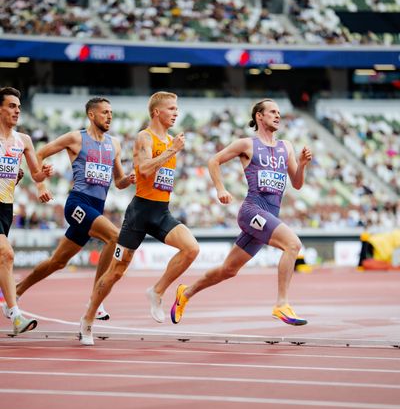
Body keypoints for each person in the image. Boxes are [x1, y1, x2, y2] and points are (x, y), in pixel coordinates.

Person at [170, 98, 312, 327]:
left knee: (229, 270)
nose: (278, 116)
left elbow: (296, 184)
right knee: (293, 244)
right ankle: (282, 304)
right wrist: (220, 189)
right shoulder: (247, 144)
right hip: (252, 211)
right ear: (259, 116)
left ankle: (186, 293)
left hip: (270, 215)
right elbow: (214, 160)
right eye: (272, 112)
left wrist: (302, 165)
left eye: (279, 112)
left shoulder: (286, 147)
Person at [79, 91, 199, 345]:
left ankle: (156, 291)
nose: (176, 113)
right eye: (172, 109)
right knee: (116, 272)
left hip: (162, 211)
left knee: (191, 249)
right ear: (157, 112)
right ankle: (88, 318)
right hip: (140, 213)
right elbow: (143, 169)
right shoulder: (145, 137)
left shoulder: (169, 138)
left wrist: (171, 147)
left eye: (177, 109)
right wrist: (172, 150)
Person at [15, 96, 135, 320]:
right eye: (104, 112)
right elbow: (38, 154)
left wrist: (129, 179)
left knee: (57, 262)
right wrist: (41, 184)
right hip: (77, 203)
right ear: (91, 115)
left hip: (96, 208)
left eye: (111, 112)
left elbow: (118, 182)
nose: (109, 116)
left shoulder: (114, 144)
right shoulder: (75, 138)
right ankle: (96, 300)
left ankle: (17, 290)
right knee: (115, 237)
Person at [0, 86, 53, 334]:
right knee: (6, 253)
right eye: (11, 106)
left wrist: (43, 177)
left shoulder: (24, 141)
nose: (17, 111)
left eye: (19, 107)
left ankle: (11, 309)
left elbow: (36, 173)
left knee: (4, 258)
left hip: (5, 207)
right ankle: (15, 314)